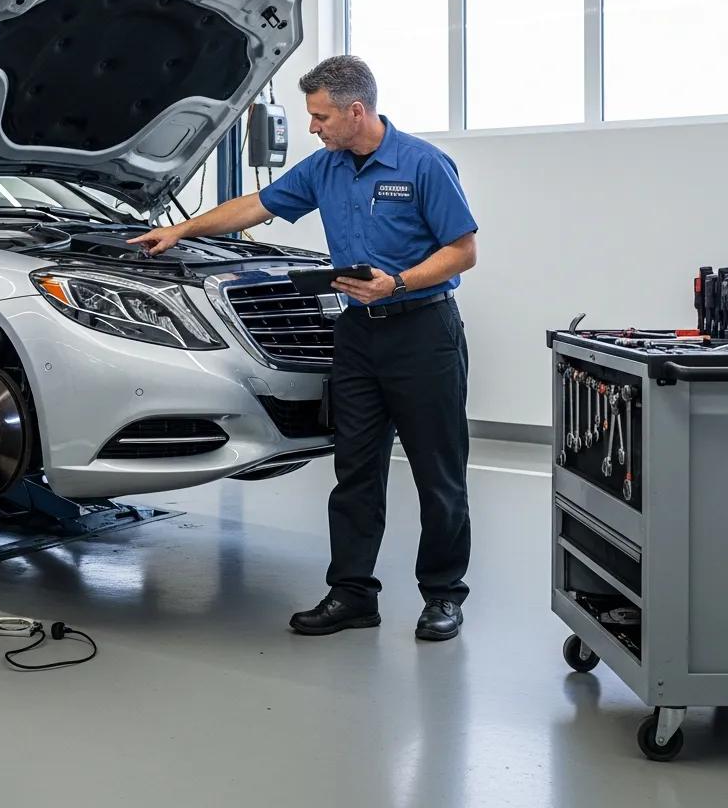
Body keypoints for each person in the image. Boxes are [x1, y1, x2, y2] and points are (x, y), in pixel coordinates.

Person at [129, 55, 477, 641]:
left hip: (423, 331)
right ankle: (351, 594)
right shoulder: (326, 167)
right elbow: (255, 206)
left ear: (355, 111)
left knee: (438, 474)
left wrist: (396, 282)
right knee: (355, 471)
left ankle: (443, 594)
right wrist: (182, 229)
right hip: (358, 335)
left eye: (319, 117)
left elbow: (462, 250)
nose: (312, 128)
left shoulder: (423, 165)